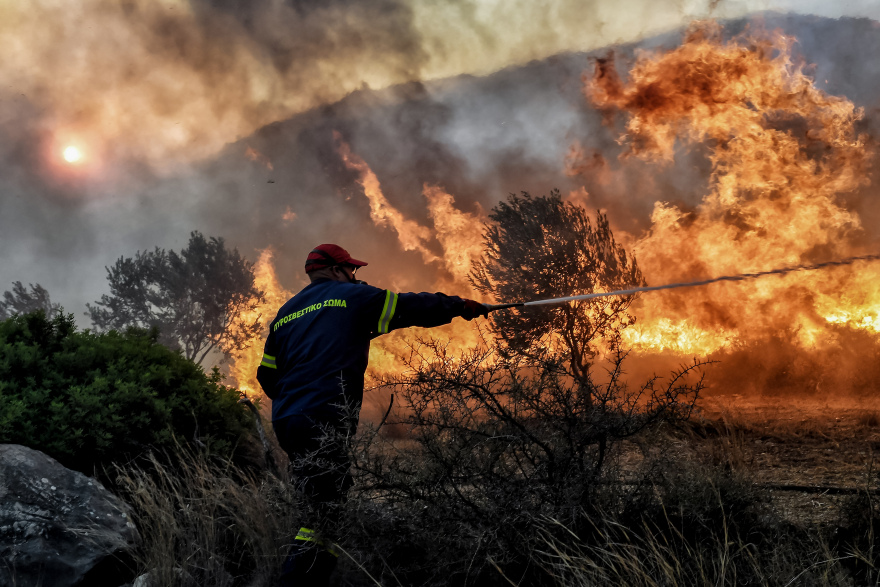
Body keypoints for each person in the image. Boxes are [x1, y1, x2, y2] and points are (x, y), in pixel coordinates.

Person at [256, 243, 489, 586]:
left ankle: (309, 574)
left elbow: (266, 375)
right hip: (323, 415)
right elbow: (409, 306)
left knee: (318, 502)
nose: (354, 275)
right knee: (325, 512)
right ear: (336, 270)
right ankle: (297, 581)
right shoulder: (351, 296)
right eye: (351, 269)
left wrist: (296, 397)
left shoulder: (286, 313)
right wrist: (460, 306)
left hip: (288, 420)